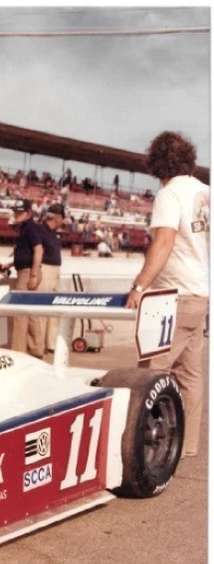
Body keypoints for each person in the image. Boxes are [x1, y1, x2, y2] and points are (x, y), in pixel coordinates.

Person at [126, 130, 210, 458]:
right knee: (190, 374)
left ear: (157, 163)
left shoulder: (170, 193)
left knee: (150, 370)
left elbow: (164, 242)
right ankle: (185, 447)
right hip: (200, 293)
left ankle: (141, 450)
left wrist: (139, 285)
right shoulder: (206, 192)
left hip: (174, 296)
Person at [8, 198, 47, 357]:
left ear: (29, 213)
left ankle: (18, 352)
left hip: (28, 272)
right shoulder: (25, 227)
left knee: (20, 312)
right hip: (25, 270)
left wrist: (33, 274)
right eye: (15, 211)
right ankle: (37, 349)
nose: (16, 214)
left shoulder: (30, 227)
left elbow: (39, 250)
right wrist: (10, 264)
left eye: (20, 212)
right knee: (29, 312)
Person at [37, 203, 65, 353]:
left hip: (55, 271)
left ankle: (50, 344)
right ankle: (40, 344)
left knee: (54, 309)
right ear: (58, 217)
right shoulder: (41, 231)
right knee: (43, 309)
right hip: (46, 270)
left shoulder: (54, 233)